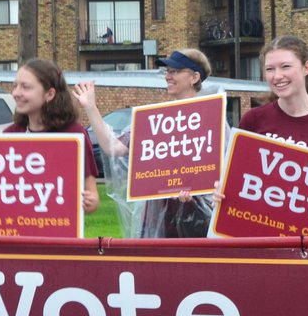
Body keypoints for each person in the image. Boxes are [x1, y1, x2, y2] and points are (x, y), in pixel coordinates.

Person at [73, 49, 215, 238]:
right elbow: (113, 148)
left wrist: (196, 187)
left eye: (174, 71)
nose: (168, 76)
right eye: (167, 72)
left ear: (194, 77)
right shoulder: (155, 121)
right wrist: (90, 107)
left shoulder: (212, 118)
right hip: (156, 219)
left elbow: (220, 172)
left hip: (196, 220)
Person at [7, 58, 100, 215]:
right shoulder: (10, 135)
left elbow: (92, 196)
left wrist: (89, 201)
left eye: (26, 87)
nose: (16, 93)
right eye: (15, 86)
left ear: (50, 94)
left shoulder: (73, 136)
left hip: (58, 232)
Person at [237, 35, 308, 156]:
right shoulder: (252, 120)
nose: (277, 76)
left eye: (285, 66)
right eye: (270, 69)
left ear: (306, 68)